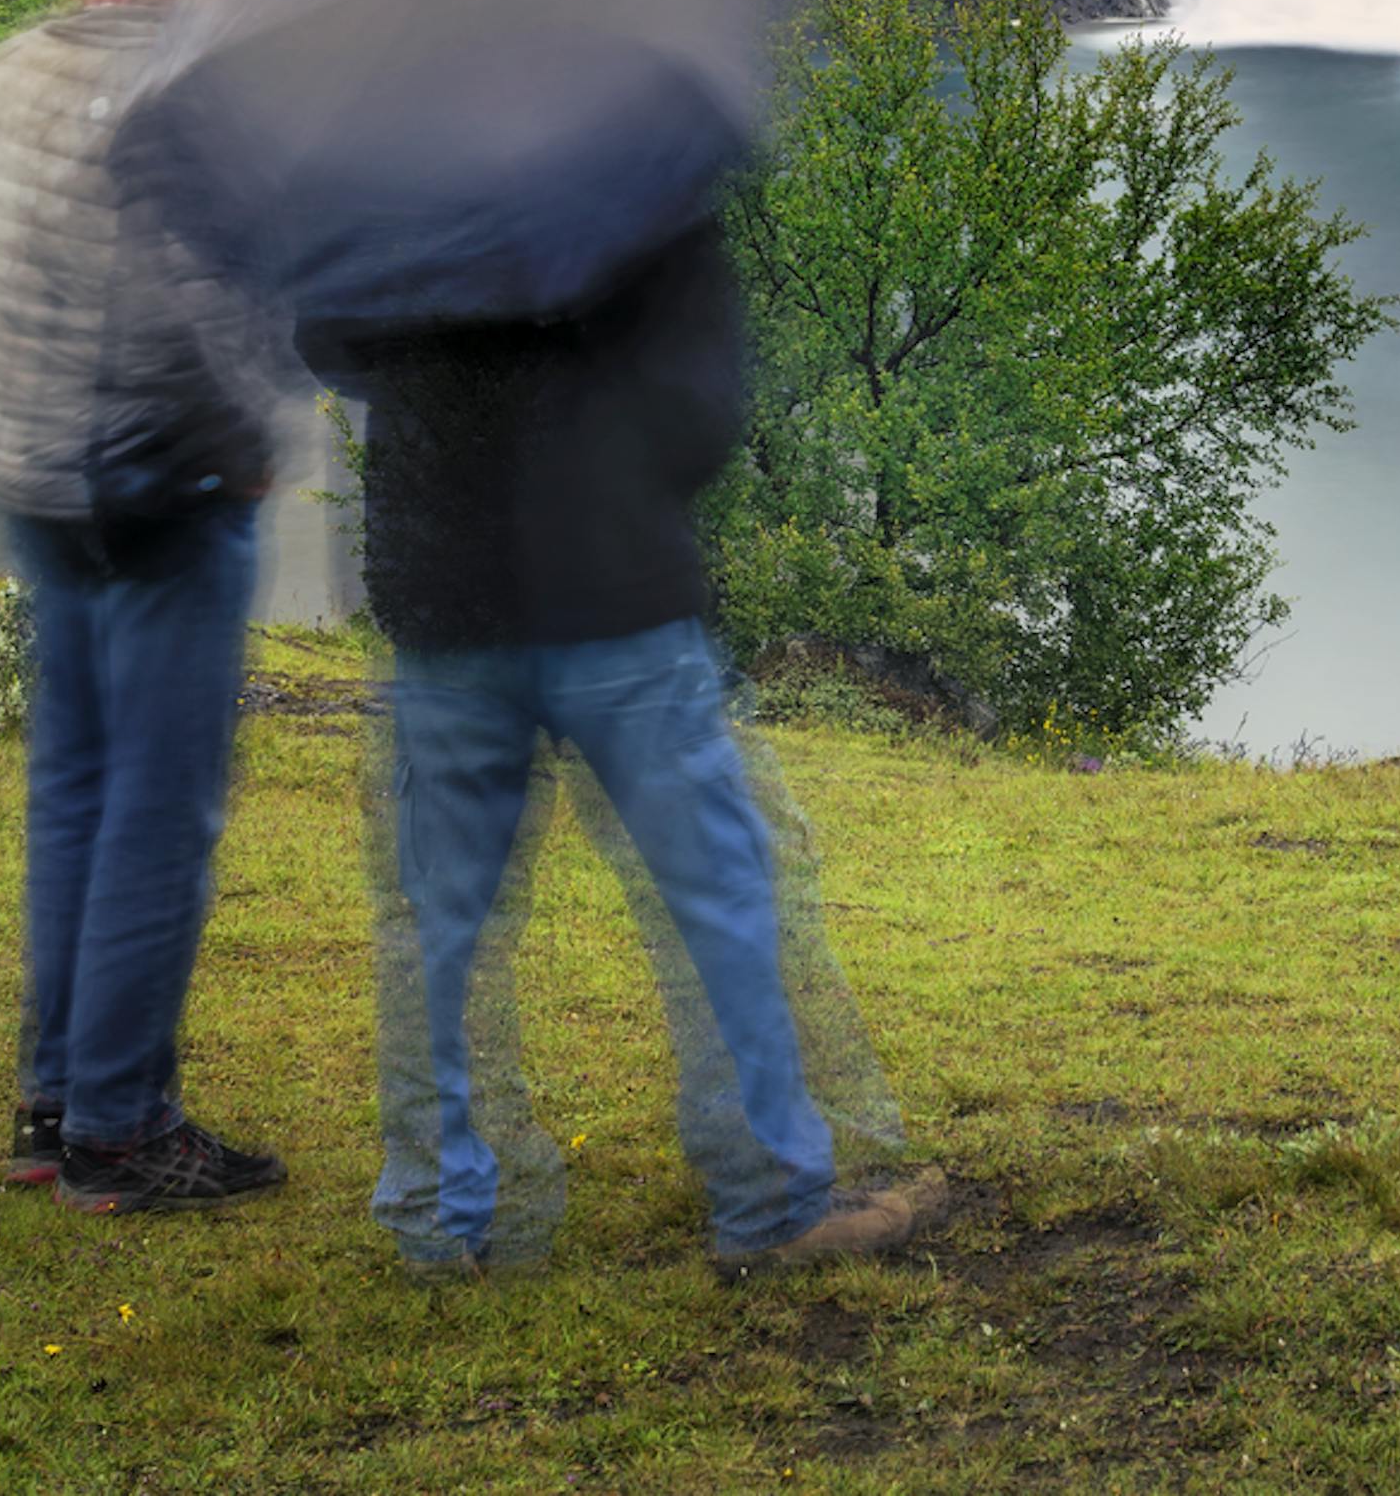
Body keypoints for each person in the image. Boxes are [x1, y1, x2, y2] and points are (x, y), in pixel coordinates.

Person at [334, 213, 944, 1280]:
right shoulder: (624, 154)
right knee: (718, 894)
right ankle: (767, 1204)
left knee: (437, 927)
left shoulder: (398, 160)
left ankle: (442, 1223)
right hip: (608, 584)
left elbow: (326, 334)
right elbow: (702, 412)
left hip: (440, 585)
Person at [0, 0, 286, 1216]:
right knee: (160, 807)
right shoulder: (178, 91)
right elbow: (188, 309)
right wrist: (248, 443)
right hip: (158, 491)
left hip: (37, 480)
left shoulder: (12, 66)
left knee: (74, 788)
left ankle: (53, 1096)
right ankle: (123, 1130)